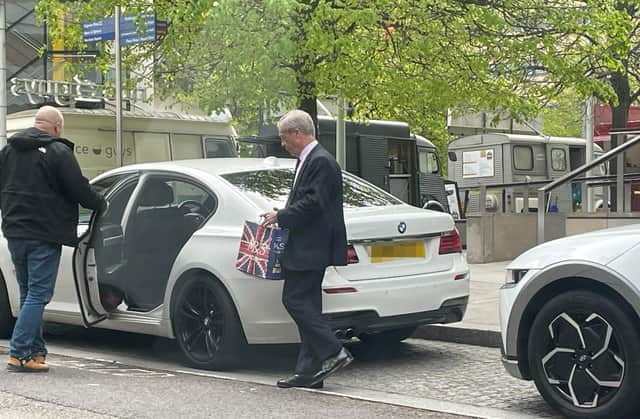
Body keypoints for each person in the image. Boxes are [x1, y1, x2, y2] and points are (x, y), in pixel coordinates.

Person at [0, 105, 106, 372]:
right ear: (57, 127)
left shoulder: (9, 151)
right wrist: (100, 203)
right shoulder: (58, 151)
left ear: (36, 123)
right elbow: (79, 189)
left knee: (28, 292)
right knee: (38, 293)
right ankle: (19, 351)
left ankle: (36, 353)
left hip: (14, 231)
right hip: (44, 234)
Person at [261, 109, 352, 389]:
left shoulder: (321, 161)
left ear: (297, 133)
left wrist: (281, 215)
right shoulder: (309, 159)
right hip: (307, 244)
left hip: (311, 246)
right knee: (308, 304)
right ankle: (309, 372)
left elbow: (313, 203)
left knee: (294, 300)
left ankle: (333, 351)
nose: (282, 143)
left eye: (284, 137)